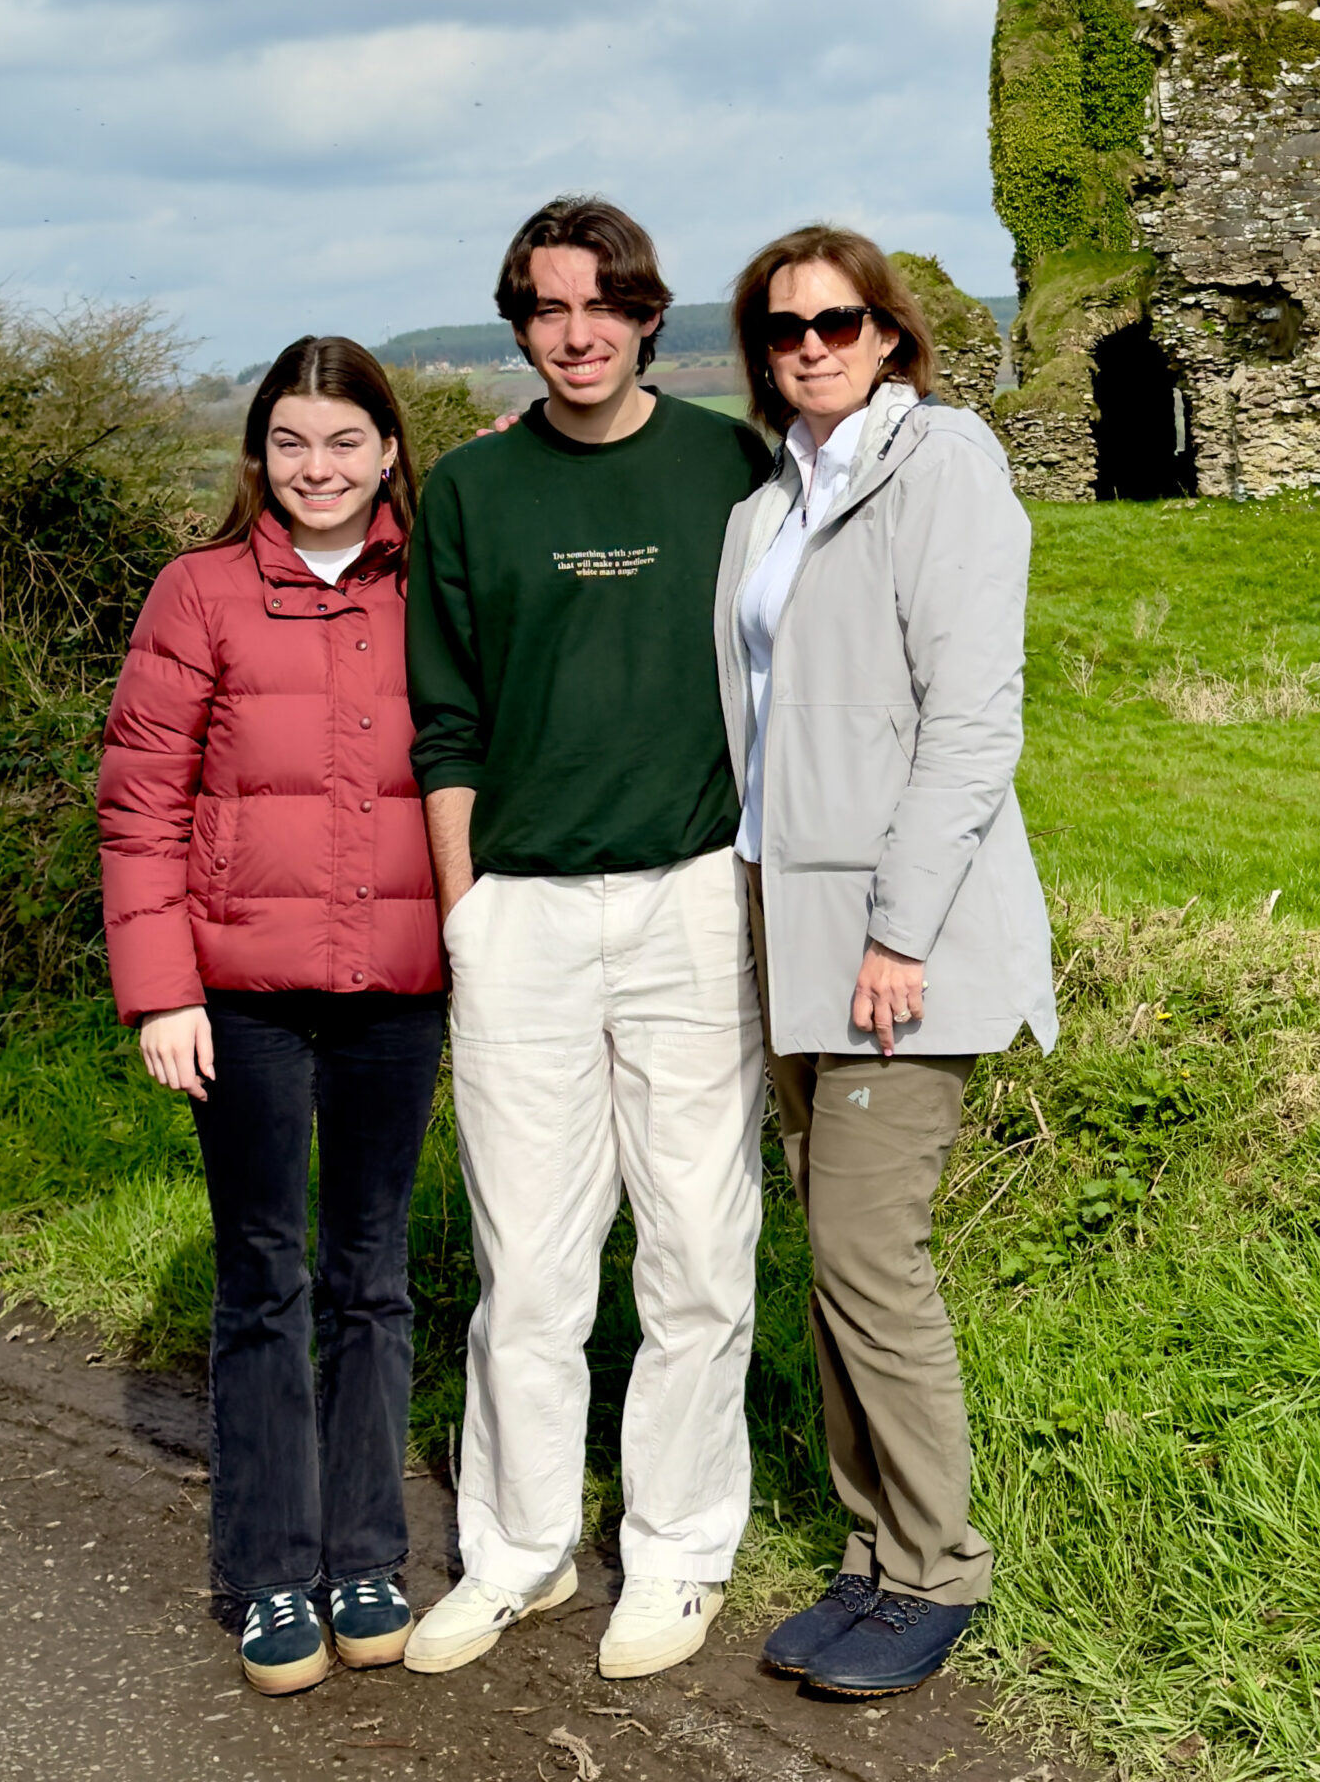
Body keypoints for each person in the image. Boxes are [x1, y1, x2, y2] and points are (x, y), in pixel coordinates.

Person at [403, 196, 772, 1683]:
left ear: (645, 316)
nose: (577, 333)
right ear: (520, 325)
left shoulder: (729, 467)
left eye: (604, 306)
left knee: (695, 1246)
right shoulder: (474, 496)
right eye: (549, 309)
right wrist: (465, 910)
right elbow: (444, 721)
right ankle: (519, 1553)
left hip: (692, 895)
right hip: (525, 913)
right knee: (532, 1262)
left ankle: (677, 1556)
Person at [713, 225, 1056, 1700]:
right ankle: (870, 1554)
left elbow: (973, 720)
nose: (811, 345)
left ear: (890, 334)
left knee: (868, 1255)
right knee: (829, 1255)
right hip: (780, 930)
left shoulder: (946, 467)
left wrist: (898, 931)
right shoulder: (765, 505)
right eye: (784, 328)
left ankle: (937, 1568)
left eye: (839, 323)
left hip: (896, 944)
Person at [99, 338, 444, 1697]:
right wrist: (162, 988)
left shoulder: (432, 588)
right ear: (261, 456)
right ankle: (268, 1573)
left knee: (370, 1280)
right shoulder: (198, 594)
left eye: (343, 444)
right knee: (265, 1281)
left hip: (398, 994)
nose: (318, 469)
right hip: (237, 996)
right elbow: (140, 801)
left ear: (387, 453)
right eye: (292, 444)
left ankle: (366, 1556)